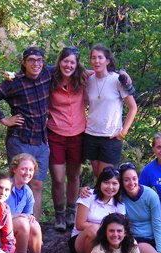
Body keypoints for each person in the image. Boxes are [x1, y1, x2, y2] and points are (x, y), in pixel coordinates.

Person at [0, 46, 51, 220]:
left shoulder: (47, 74)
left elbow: (73, 68)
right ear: (23, 63)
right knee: (15, 183)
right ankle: (9, 224)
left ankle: (33, 225)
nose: (36, 64)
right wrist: (4, 119)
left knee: (37, 185)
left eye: (39, 60)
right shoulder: (14, 83)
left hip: (41, 141)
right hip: (20, 138)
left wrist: (112, 72)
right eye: (31, 60)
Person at [47, 46, 88, 230]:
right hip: (55, 132)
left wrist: (122, 73)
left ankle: (72, 212)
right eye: (65, 61)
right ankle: (60, 215)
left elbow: (102, 71)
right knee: (57, 178)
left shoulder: (82, 78)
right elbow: (31, 73)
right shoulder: (50, 77)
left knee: (74, 175)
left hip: (77, 134)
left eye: (72, 62)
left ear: (76, 64)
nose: (68, 65)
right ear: (60, 61)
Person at [84, 44, 138, 178]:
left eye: (100, 58)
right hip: (91, 134)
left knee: (106, 177)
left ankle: (113, 199)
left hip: (111, 136)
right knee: (97, 176)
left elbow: (133, 107)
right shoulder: (88, 80)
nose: (97, 61)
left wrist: (123, 132)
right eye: (93, 58)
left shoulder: (117, 80)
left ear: (107, 61)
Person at [69, 167, 125, 253]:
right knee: (93, 230)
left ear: (119, 186)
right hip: (81, 240)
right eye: (106, 182)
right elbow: (80, 224)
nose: (110, 187)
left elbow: (119, 228)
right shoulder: (88, 195)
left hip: (106, 240)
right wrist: (104, 228)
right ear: (100, 183)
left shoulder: (119, 205)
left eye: (114, 183)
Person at [7, 153, 43, 253]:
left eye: (30, 170)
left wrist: (29, 217)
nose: (27, 173)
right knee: (23, 222)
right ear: (14, 169)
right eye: (23, 169)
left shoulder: (27, 191)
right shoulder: (5, 187)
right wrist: (20, 216)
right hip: (0, 229)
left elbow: (29, 214)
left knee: (34, 224)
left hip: (14, 225)